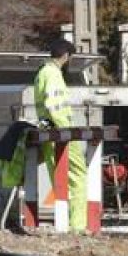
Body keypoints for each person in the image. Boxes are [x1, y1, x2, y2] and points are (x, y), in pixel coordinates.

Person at [34, 38, 87, 232]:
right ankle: (78, 225)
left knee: (58, 176)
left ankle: (65, 223)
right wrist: (66, 131)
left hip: (48, 132)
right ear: (66, 56)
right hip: (60, 132)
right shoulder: (53, 74)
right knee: (78, 175)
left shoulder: (41, 73)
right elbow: (55, 107)